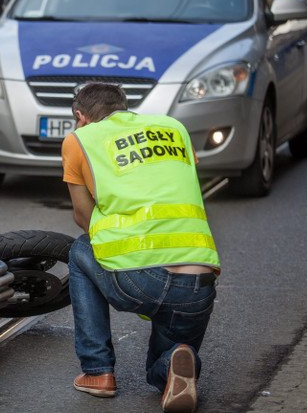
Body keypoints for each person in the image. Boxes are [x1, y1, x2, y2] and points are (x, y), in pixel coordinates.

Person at [61, 82, 220, 413]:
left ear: (81, 116)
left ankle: (98, 371)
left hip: (137, 278)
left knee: (79, 251)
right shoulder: (173, 127)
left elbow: (83, 217)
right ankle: (180, 361)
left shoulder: (80, 140)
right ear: (123, 106)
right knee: (161, 365)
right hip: (197, 282)